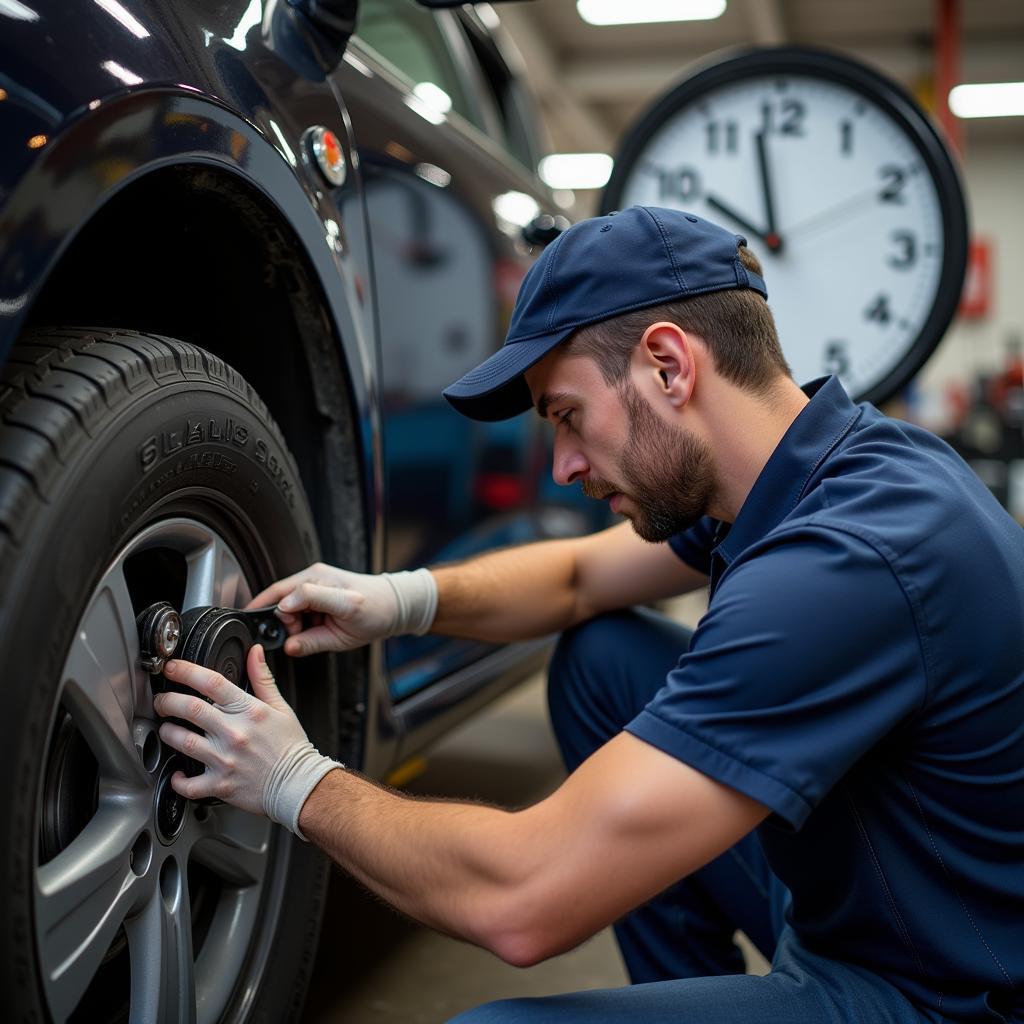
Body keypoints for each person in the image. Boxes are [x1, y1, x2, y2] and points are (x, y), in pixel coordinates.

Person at [154, 207, 1024, 1023]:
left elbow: (521, 900)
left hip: (935, 990)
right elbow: (577, 579)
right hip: (867, 888)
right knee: (600, 657)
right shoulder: (818, 463)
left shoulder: (843, 567)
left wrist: (289, 778)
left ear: (668, 364)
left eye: (567, 417)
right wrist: (394, 599)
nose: (563, 465)